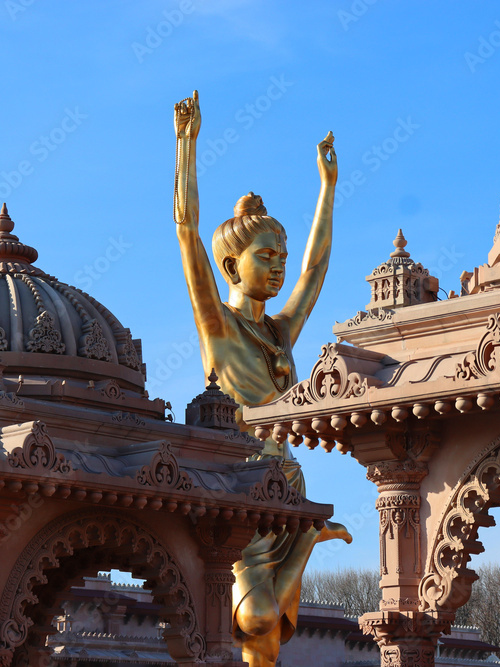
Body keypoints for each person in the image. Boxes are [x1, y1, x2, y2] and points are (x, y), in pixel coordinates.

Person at [173, 91, 350, 667]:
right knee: (254, 616)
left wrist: (327, 187)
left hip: (286, 481)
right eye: (266, 255)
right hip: (235, 486)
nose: (279, 265)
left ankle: (304, 535)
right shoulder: (218, 326)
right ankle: (307, 539)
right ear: (231, 266)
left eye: (280, 254)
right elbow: (186, 228)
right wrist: (187, 145)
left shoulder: (278, 333)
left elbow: (316, 269)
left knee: (264, 639)